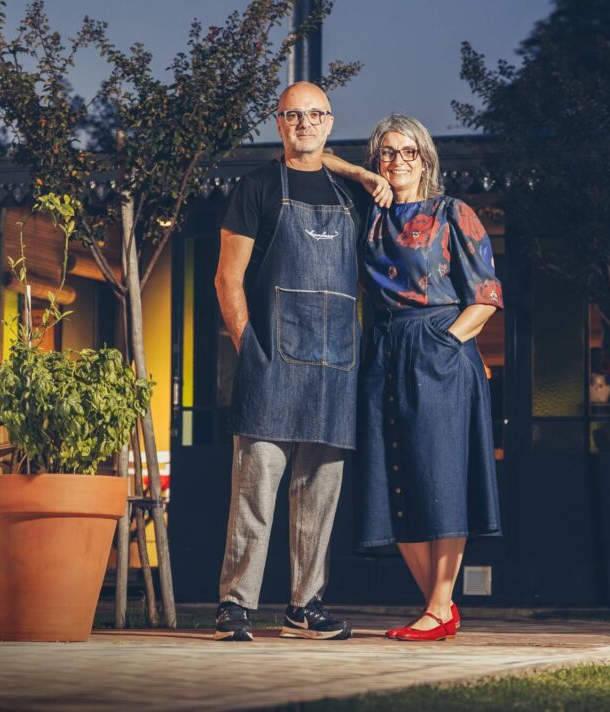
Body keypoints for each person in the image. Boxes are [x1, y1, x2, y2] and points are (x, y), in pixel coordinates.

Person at [323, 114, 503, 641]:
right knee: (390, 476)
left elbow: (487, 296)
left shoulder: (452, 212)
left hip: (438, 346)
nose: (397, 161)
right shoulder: (370, 214)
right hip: (382, 348)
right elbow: (309, 160)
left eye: (408, 152)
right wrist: (363, 176)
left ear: (426, 159)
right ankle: (439, 607)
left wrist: (446, 343)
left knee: (441, 477)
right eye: (387, 152)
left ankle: (438, 606)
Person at [212, 82, 380, 642]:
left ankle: (304, 608)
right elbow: (227, 278)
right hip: (272, 361)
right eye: (292, 115)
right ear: (278, 122)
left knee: (320, 492)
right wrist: (250, 349)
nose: (304, 123)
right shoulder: (257, 187)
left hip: (336, 364)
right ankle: (235, 605)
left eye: (314, 115)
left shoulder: (351, 195)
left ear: (329, 122)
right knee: (255, 491)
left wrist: (359, 173)